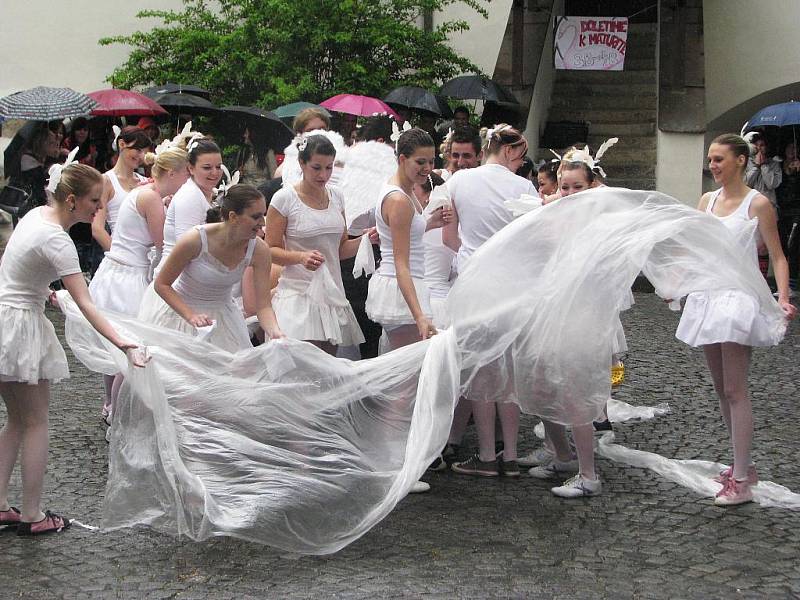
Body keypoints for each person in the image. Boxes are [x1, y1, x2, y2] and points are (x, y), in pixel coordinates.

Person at [0, 162, 144, 536]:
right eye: (94, 200)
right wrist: (120, 340)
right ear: (71, 200)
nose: (99, 208)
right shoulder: (58, 239)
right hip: (18, 324)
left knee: (17, 420)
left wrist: (39, 291)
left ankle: (1, 505)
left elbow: (15, 266)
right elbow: (87, 302)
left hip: (6, 315)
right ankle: (32, 515)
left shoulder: (36, 215)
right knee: (35, 422)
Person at [676, 133, 796, 505]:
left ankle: (742, 479)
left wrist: (783, 296)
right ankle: (741, 464)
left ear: (740, 161)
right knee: (721, 389)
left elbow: (777, 255)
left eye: (718, 159)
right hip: (708, 296)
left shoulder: (757, 204)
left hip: (737, 297)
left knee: (735, 389)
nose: (712, 166)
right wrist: (678, 283)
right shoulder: (706, 201)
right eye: (710, 160)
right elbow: (694, 249)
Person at [444, 124, 536, 479]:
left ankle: (485, 454)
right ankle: (510, 455)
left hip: (473, 281)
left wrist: (469, 253)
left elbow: (450, 238)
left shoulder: (459, 182)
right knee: (507, 371)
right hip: (510, 284)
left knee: (479, 370)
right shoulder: (524, 186)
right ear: (511, 151)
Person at [364, 127, 448, 494]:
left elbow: (405, 240)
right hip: (403, 291)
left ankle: (395, 458)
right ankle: (395, 463)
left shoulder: (405, 193)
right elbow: (398, 261)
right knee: (405, 384)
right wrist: (419, 313)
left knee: (407, 381)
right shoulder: (398, 198)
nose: (427, 168)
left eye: (431, 161)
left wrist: (427, 222)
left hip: (411, 286)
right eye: (420, 162)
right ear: (402, 159)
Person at [88, 144, 190, 425]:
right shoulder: (150, 197)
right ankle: (115, 409)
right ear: (171, 173)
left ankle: (112, 404)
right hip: (128, 277)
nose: (187, 181)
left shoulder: (146, 192)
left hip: (121, 271)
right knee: (132, 346)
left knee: (123, 347)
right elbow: (163, 243)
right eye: (186, 174)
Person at [141, 184, 283, 351]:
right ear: (233, 216)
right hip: (181, 313)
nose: (263, 222)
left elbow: (263, 306)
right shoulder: (196, 239)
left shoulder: (259, 250)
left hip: (224, 318)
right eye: (256, 217)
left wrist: (275, 332)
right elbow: (161, 284)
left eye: (263, 215)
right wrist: (191, 316)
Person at [266, 135, 370, 355]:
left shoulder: (338, 196)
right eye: (316, 168)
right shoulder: (284, 198)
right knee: (305, 368)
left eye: (329, 168)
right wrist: (299, 257)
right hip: (298, 294)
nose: (323, 175)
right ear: (302, 164)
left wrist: (366, 240)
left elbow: (340, 249)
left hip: (331, 295)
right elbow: (269, 250)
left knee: (327, 371)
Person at [159, 137, 224, 272]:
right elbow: (186, 249)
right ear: (191, 168)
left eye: (218, 167)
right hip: (178, 277)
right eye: (207, 168)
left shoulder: (204, 192)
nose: (215, 173)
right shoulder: (190, 196)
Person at [91, 126, 151, 251]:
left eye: (144, 152)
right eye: (138, 150)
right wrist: (118, 256)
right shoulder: (106, 181)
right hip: (121, 252)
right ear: (122, 144)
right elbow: (97, 228)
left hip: (147, 253)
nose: (141, 156)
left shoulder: (145, 182)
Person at [776, 141, 800, 291]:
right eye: (790, 148)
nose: (793, 151)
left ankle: (792, 280)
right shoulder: (778, 166)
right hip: (781, 210)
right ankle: (783, 283)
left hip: (797, 210)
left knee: (794, 245)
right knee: (782, 244)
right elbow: (775, 185)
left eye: (796, 149)